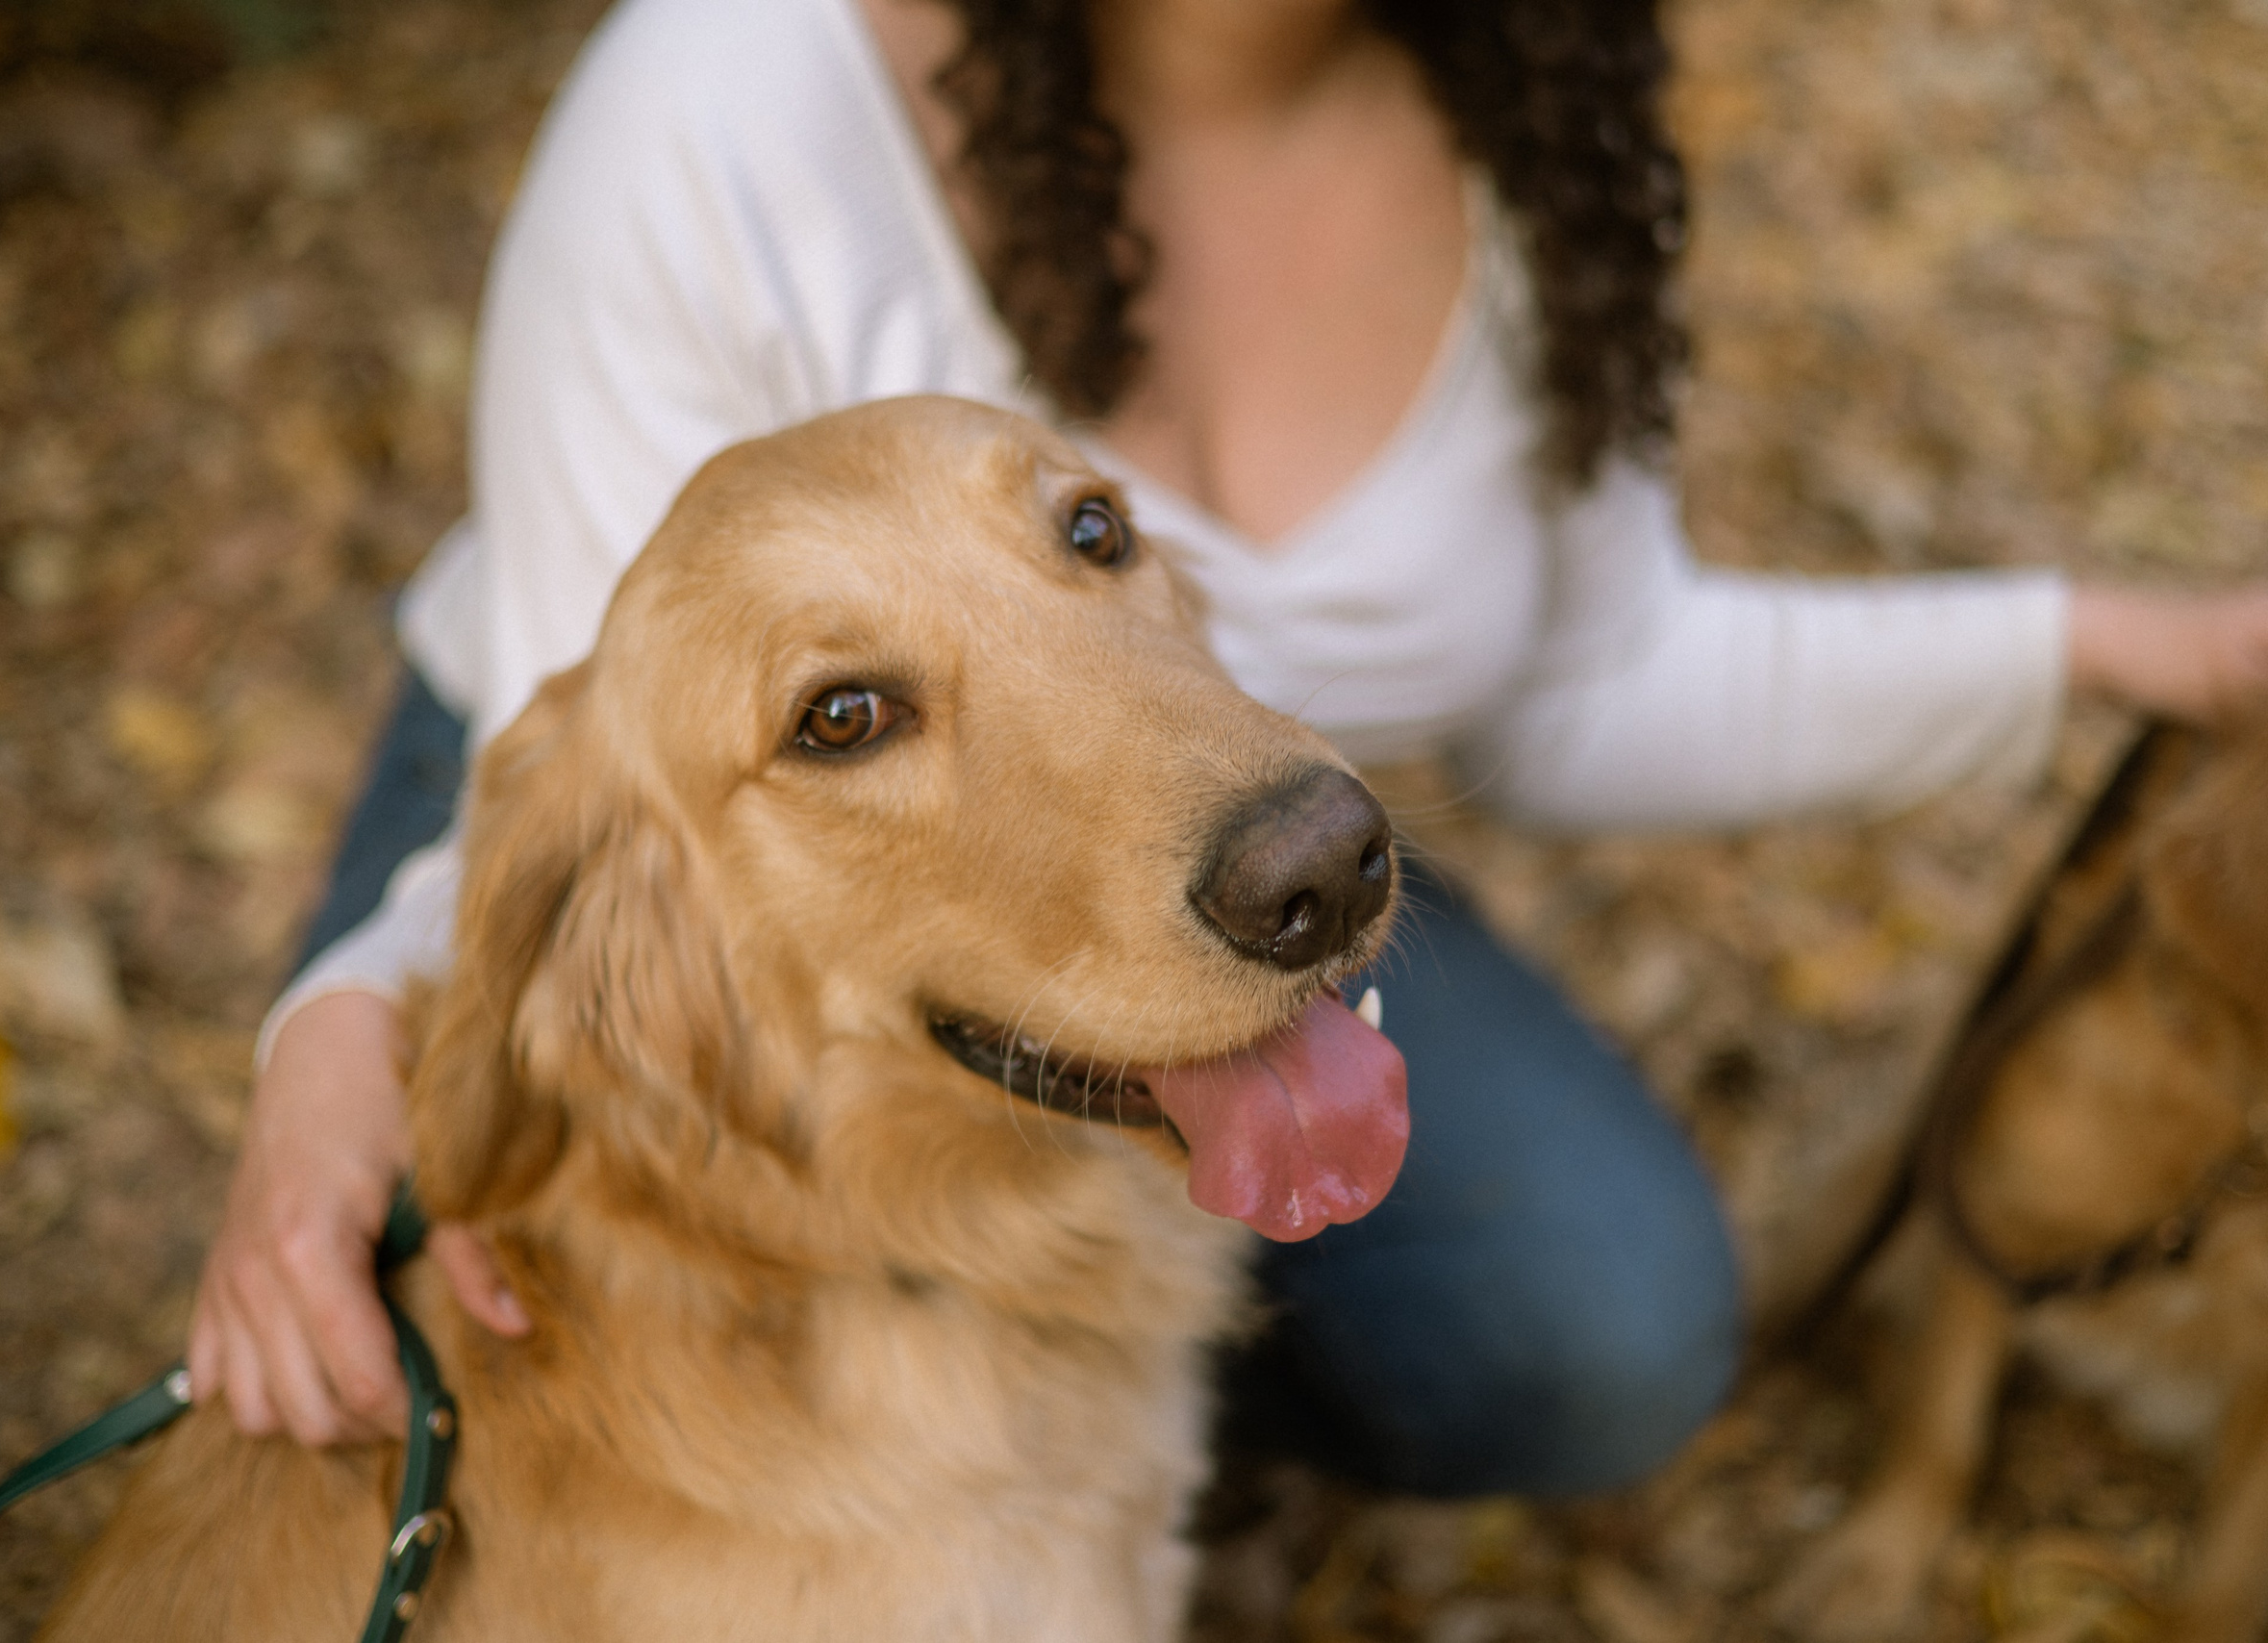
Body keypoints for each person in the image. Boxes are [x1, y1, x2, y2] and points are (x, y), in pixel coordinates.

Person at [188, 0, 2268, 1495]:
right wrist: (353, 1019)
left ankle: (1111, 1375)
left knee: (1600, 1334)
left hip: (1246, 832)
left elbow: (1589, 674)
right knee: (561, 1300)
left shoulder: (1527, 118)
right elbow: (596, 770)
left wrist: (2132, 641)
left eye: (1091, 529)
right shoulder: (723, 94)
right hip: (581, 780)